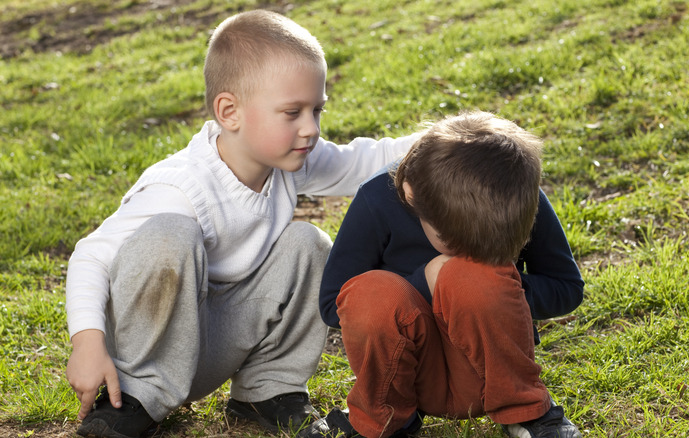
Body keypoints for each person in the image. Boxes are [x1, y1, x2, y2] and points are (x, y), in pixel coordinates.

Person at [65, 9, 420, 438]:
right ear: (229, 112)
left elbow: (360, 161)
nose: (310, 128)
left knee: (309, 243)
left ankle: (266, 388)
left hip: (213, 345)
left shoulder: (288, 161)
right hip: (146, 352)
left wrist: (446, 141)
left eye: (316, 110)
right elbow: (90, 256)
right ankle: (137, 400)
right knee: (168, 235)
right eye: (292, 112)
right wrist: (86, 341)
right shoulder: (179, 187)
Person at [305, 111, 585, 438]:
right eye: (453, 243)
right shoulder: (376, 198)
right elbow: (331, 302)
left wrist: (502, 284)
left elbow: (566, 287)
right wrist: (424, 283)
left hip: (488, 374)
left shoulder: (514, 195)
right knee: (370, 292)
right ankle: (381, 419)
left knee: (469, 276)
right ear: (411, 195)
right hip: (405, 372)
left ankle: (526, 413)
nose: (462, 254)